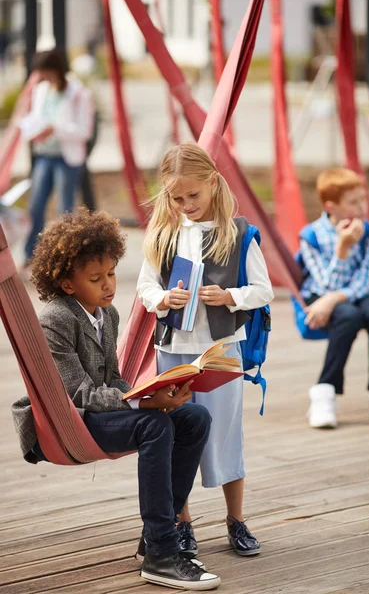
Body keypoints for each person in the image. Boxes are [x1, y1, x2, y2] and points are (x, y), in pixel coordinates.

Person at [11, 208, 221, 591]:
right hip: (67, 422)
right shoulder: (55, 320)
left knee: (194, 419)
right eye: (96, 278)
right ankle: (161, 554)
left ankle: (157, 536)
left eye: (110, 273)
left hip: (99, 412)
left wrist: (157, 392)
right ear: (67, 284)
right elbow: (79, 394)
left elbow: (111, 379)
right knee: (153, 424)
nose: (109, 285)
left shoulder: (107, 315)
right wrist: (144, 404)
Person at [137, 142, 274, 557]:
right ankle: (183, 524)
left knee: (227, 435)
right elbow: (145, 288)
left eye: (192, 195)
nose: (185, 204)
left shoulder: (239, 234)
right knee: (175, 436)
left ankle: (236, 519)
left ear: (212, 183)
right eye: (176, 198)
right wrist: (162, 300)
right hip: (174, 349)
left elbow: (263, 290)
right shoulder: (162, 234)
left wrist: (229, 296)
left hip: (221, 352)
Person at [300, 168, 369, 429]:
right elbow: (325, 285)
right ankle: (324, 392)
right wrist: (342, 248)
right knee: (349, 316)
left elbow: (366, 280)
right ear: (332, 207)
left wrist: (334, 298)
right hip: (323, 295)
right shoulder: (311, 236)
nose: (362, 207)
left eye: (362, 199)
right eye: (354, 202)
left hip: (355, 293)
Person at [19, 49, 94, 267]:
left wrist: (56, 129)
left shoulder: (79, 93)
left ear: (56, 70)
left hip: (66, 157)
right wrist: (35, 130)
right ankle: (30, 255)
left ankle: (66, 258)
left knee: (65, 209)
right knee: (35, 206)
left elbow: (84, 131)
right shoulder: (41, 90)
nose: (43, 77)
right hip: (45, 154)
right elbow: (36, 117)